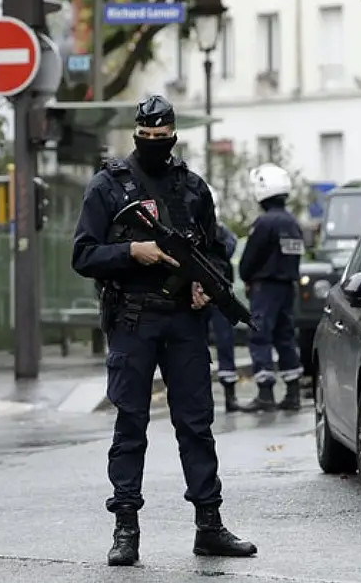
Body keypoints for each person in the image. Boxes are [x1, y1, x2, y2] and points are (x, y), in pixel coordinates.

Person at [71, 94, 257, 567]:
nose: (155, 143)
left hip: (184, 321)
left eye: (162, 137)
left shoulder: (193, 188)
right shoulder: (109, 187)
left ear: (174, 135)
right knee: (130, 424)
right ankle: (126, 528)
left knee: (196, 424)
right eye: (146, 137)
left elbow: (215, 253)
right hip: (133, 319)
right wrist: (134, 252)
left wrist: (206, 288)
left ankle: (209, 525)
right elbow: (84, 255)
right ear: (137, 134)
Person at [238, 163, 305, 413]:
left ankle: (265, 394)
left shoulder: (264, 223)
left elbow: (249, 260)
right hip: (287, 287)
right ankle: (293, 392)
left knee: (260, 336)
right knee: (285, 337)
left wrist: (246, 275)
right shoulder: (292, 223)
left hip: (265, 289)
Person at [205, 185, 241, 412]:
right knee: (201, 347)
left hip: (218, 297)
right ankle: (221, 396)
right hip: (203, 298)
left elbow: (229, 246)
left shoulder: (220, 234)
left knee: (225, 344)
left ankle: (229, 395)